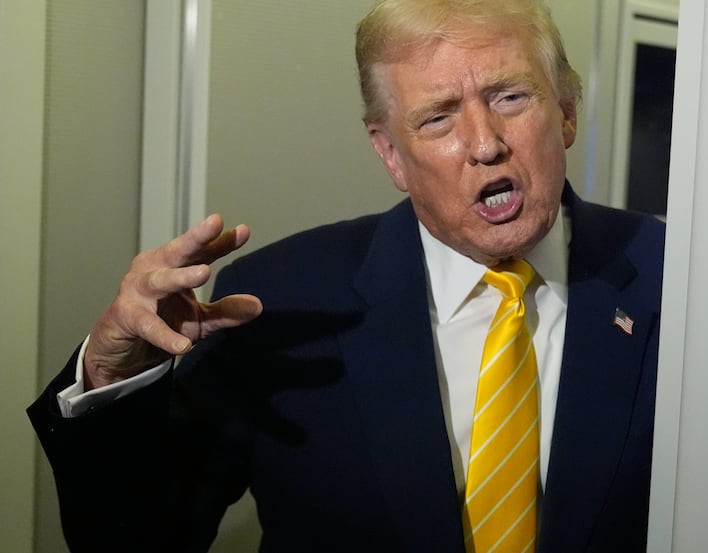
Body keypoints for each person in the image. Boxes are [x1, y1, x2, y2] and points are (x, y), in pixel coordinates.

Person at [28, 0, 665, 552]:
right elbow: (136, 540)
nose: (485, 143)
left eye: (510, 96)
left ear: (568, 111)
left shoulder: (674, 279)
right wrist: (110, 375)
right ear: (391, 153)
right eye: (438, 116)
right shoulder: (282, 302)